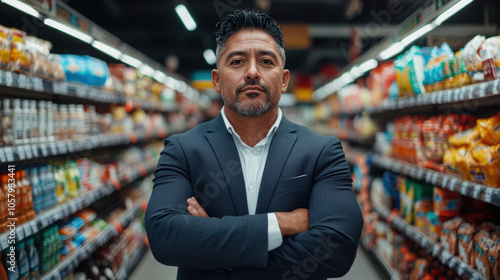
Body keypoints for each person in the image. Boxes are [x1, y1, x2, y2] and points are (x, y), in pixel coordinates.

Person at [145, 10, 363, 280]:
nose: (251, 73)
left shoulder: (321, 151)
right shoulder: (182, 150)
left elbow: (337, 248)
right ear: (216, 80)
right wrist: (281, 223)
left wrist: (216, 253)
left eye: (266, 61)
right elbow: (165, 237)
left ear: (284, 80)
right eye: (237, 61)